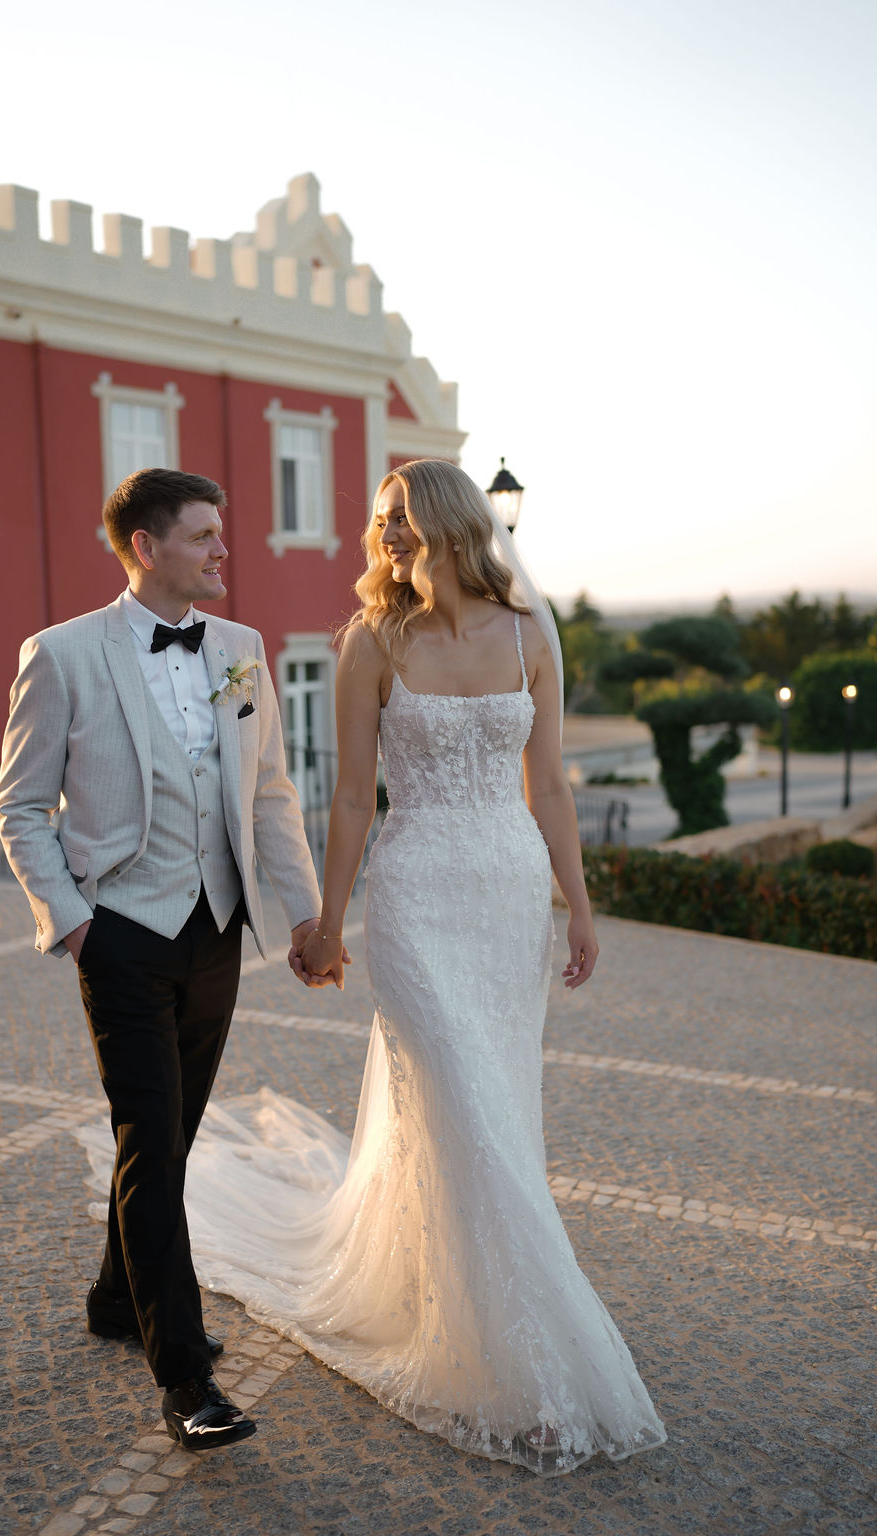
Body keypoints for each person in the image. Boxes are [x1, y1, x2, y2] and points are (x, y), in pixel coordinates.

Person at [78, 458, 667, 1474]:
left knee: (492, 1107)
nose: (384, 534)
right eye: (380, 519)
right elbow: (352, 800)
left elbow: (553, 787)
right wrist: (327, 923)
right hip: (415, 899)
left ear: (447, 523)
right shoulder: (371, 640)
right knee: (459, 1099)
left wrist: (577, 905)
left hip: (506, 895)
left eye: (400, 518)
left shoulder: (530, 635)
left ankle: (453, 1293)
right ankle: (523, 1360)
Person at [0, 467, 331, 1453]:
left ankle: (113, 1293)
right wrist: (75, 922)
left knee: (167, 1133)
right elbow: (18, 806)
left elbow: (269, 793)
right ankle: (187, 1380)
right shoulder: (60, 655)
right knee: (151, 1135)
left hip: (217, 931)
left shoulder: (240, 649)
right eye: (202, 537)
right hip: (123, 934)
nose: (223, 553)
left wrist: (306, 920)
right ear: (145, 546)